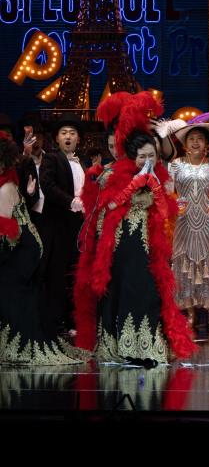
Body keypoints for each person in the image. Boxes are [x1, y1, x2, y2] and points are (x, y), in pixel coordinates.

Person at [74, 91, 197, 366]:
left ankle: (146, 345)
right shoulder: (113, 174)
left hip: (147, 243)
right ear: (132, 155)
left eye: (152, 155)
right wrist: (134, 187)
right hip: (120, 243)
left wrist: (154, 188)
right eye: (142, 156)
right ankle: (118, 345)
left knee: (147, 288)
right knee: (120, 287)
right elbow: (108, 205)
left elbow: (165, 211)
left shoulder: (158, 176)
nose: (148, 160)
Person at [0, 133, 88, 365]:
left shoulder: (5, 189)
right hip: (21, 251)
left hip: (21, 254)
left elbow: (6, 236)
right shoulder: (8, 184)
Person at [169, 121, 209, 329]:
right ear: (185, 143)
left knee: (208, 263)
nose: (195, 142)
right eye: (191, 139)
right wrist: (174, 205)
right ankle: (190, 312)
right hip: (183, 222)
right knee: (184, 263)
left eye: (200, 139)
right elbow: (169, 194)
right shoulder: (175, 164)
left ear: (207, 143)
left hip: (207, 221)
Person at [38, 116, 86, 334]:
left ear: (78, 139)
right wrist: (70, 202)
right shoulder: (51, 158)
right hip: (57, 225)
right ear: (57, 138)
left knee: (76, 273)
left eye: (72, 133)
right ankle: (55, 321)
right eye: (64, 133)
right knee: (56, 273)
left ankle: (73, 319)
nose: (68, 136)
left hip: (78, 225)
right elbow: (47, 185)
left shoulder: (81, 162)